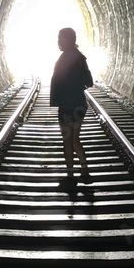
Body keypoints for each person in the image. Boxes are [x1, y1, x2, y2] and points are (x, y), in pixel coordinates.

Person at [49, 27, 94, 184]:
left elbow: (57, 83)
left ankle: (70, 175)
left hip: (67, 106)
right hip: (79, 104)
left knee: (67, 141)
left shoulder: (62, 60)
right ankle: (85, 170)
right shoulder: (80, 58)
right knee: (75, 139)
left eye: (60, 38)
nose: (58, 42)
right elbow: (89, 82)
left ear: (67, 40)